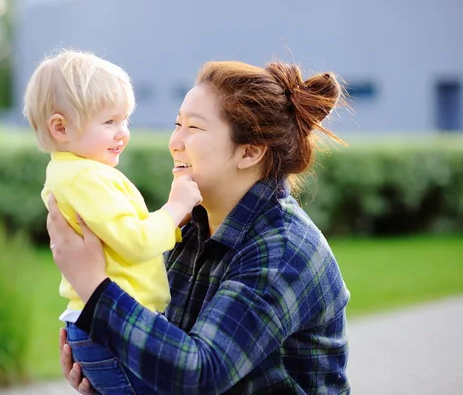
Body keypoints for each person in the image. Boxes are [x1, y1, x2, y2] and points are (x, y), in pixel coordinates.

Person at [47, 59, 352, 394]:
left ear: (249, 152)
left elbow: (200, 373)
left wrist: (94, 290)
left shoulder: (285, 250)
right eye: (177, 124)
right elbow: (168, 356)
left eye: (193, 128)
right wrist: (111, 373)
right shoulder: (189, 228)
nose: (174, 142)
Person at [23, 49, 202, 395]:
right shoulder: (86, 179)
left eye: (125, 120)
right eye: (109, 122)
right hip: (114, 327)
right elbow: (135, 242)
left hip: (104, 324)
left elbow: (121, 235)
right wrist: (175, 207)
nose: (123, 133)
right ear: (60, 127)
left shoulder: (71, 172)